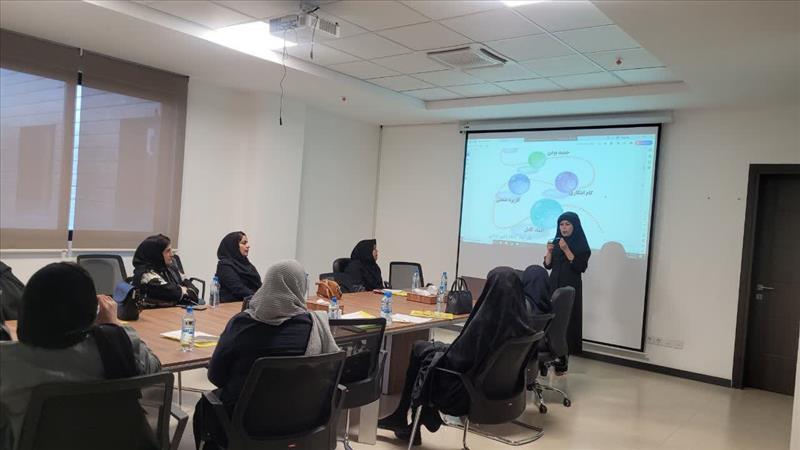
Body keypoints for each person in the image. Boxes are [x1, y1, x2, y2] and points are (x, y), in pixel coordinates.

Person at [0, 263, 161, 449]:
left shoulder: (6, 361)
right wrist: (114, 327)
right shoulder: (116, 347)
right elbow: (154, 368)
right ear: (89, 312)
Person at [378, 267, 536, 445]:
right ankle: (409, 419)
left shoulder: (486, 323)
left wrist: (437, 350)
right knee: (425, 349)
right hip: (494, 392)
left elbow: (457, 359)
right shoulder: (525, 328)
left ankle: (406, 417)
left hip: (462, 391)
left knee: (422, 352)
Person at [193, 260, 339, 450]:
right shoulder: (315, 326)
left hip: (246, 422)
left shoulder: (241, 324)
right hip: (301, 419)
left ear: (267, 285)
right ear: (300, 288)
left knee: (205, 406)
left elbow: (216, 376)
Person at [543, 211, 591, 369]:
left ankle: (563, 357)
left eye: (567, 224)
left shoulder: (581, 245)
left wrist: (566, 250)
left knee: (566, 322)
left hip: (569, 288)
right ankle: (548, 355)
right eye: (561, 224)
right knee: (551, 320)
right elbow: (548, 265)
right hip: (553, 285)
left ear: (574, 226)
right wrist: (549, 252)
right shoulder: (556, 242)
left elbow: (580, 267)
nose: (563, 227)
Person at [132, 234, 199, 306]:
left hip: (175, 310)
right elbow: (175, 294)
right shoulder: (147, 276)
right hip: (156, 312)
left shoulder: (168, 268)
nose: (172, 254)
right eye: (168, 251)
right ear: (156, 254)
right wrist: (183, 290)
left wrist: (184, 291)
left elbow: (193, 290)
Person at [215, 231, 262, 302]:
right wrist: (260, 298)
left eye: (247, 243)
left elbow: (259, 285)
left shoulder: (247, 264)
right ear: (233, 246)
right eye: (244, 243)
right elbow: (239, 289)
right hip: (232, 305)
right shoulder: (224, 265)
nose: (248, 246)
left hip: (252, 303)